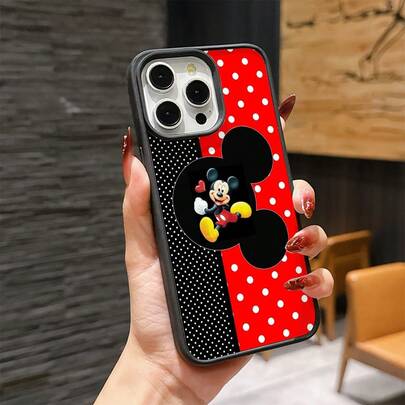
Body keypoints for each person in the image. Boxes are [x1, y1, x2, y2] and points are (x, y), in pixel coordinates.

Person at [95, 95, 334, 404]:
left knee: (256, 218)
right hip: (214, 229)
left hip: (233, 221)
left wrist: (162, 380)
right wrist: (156, 372)